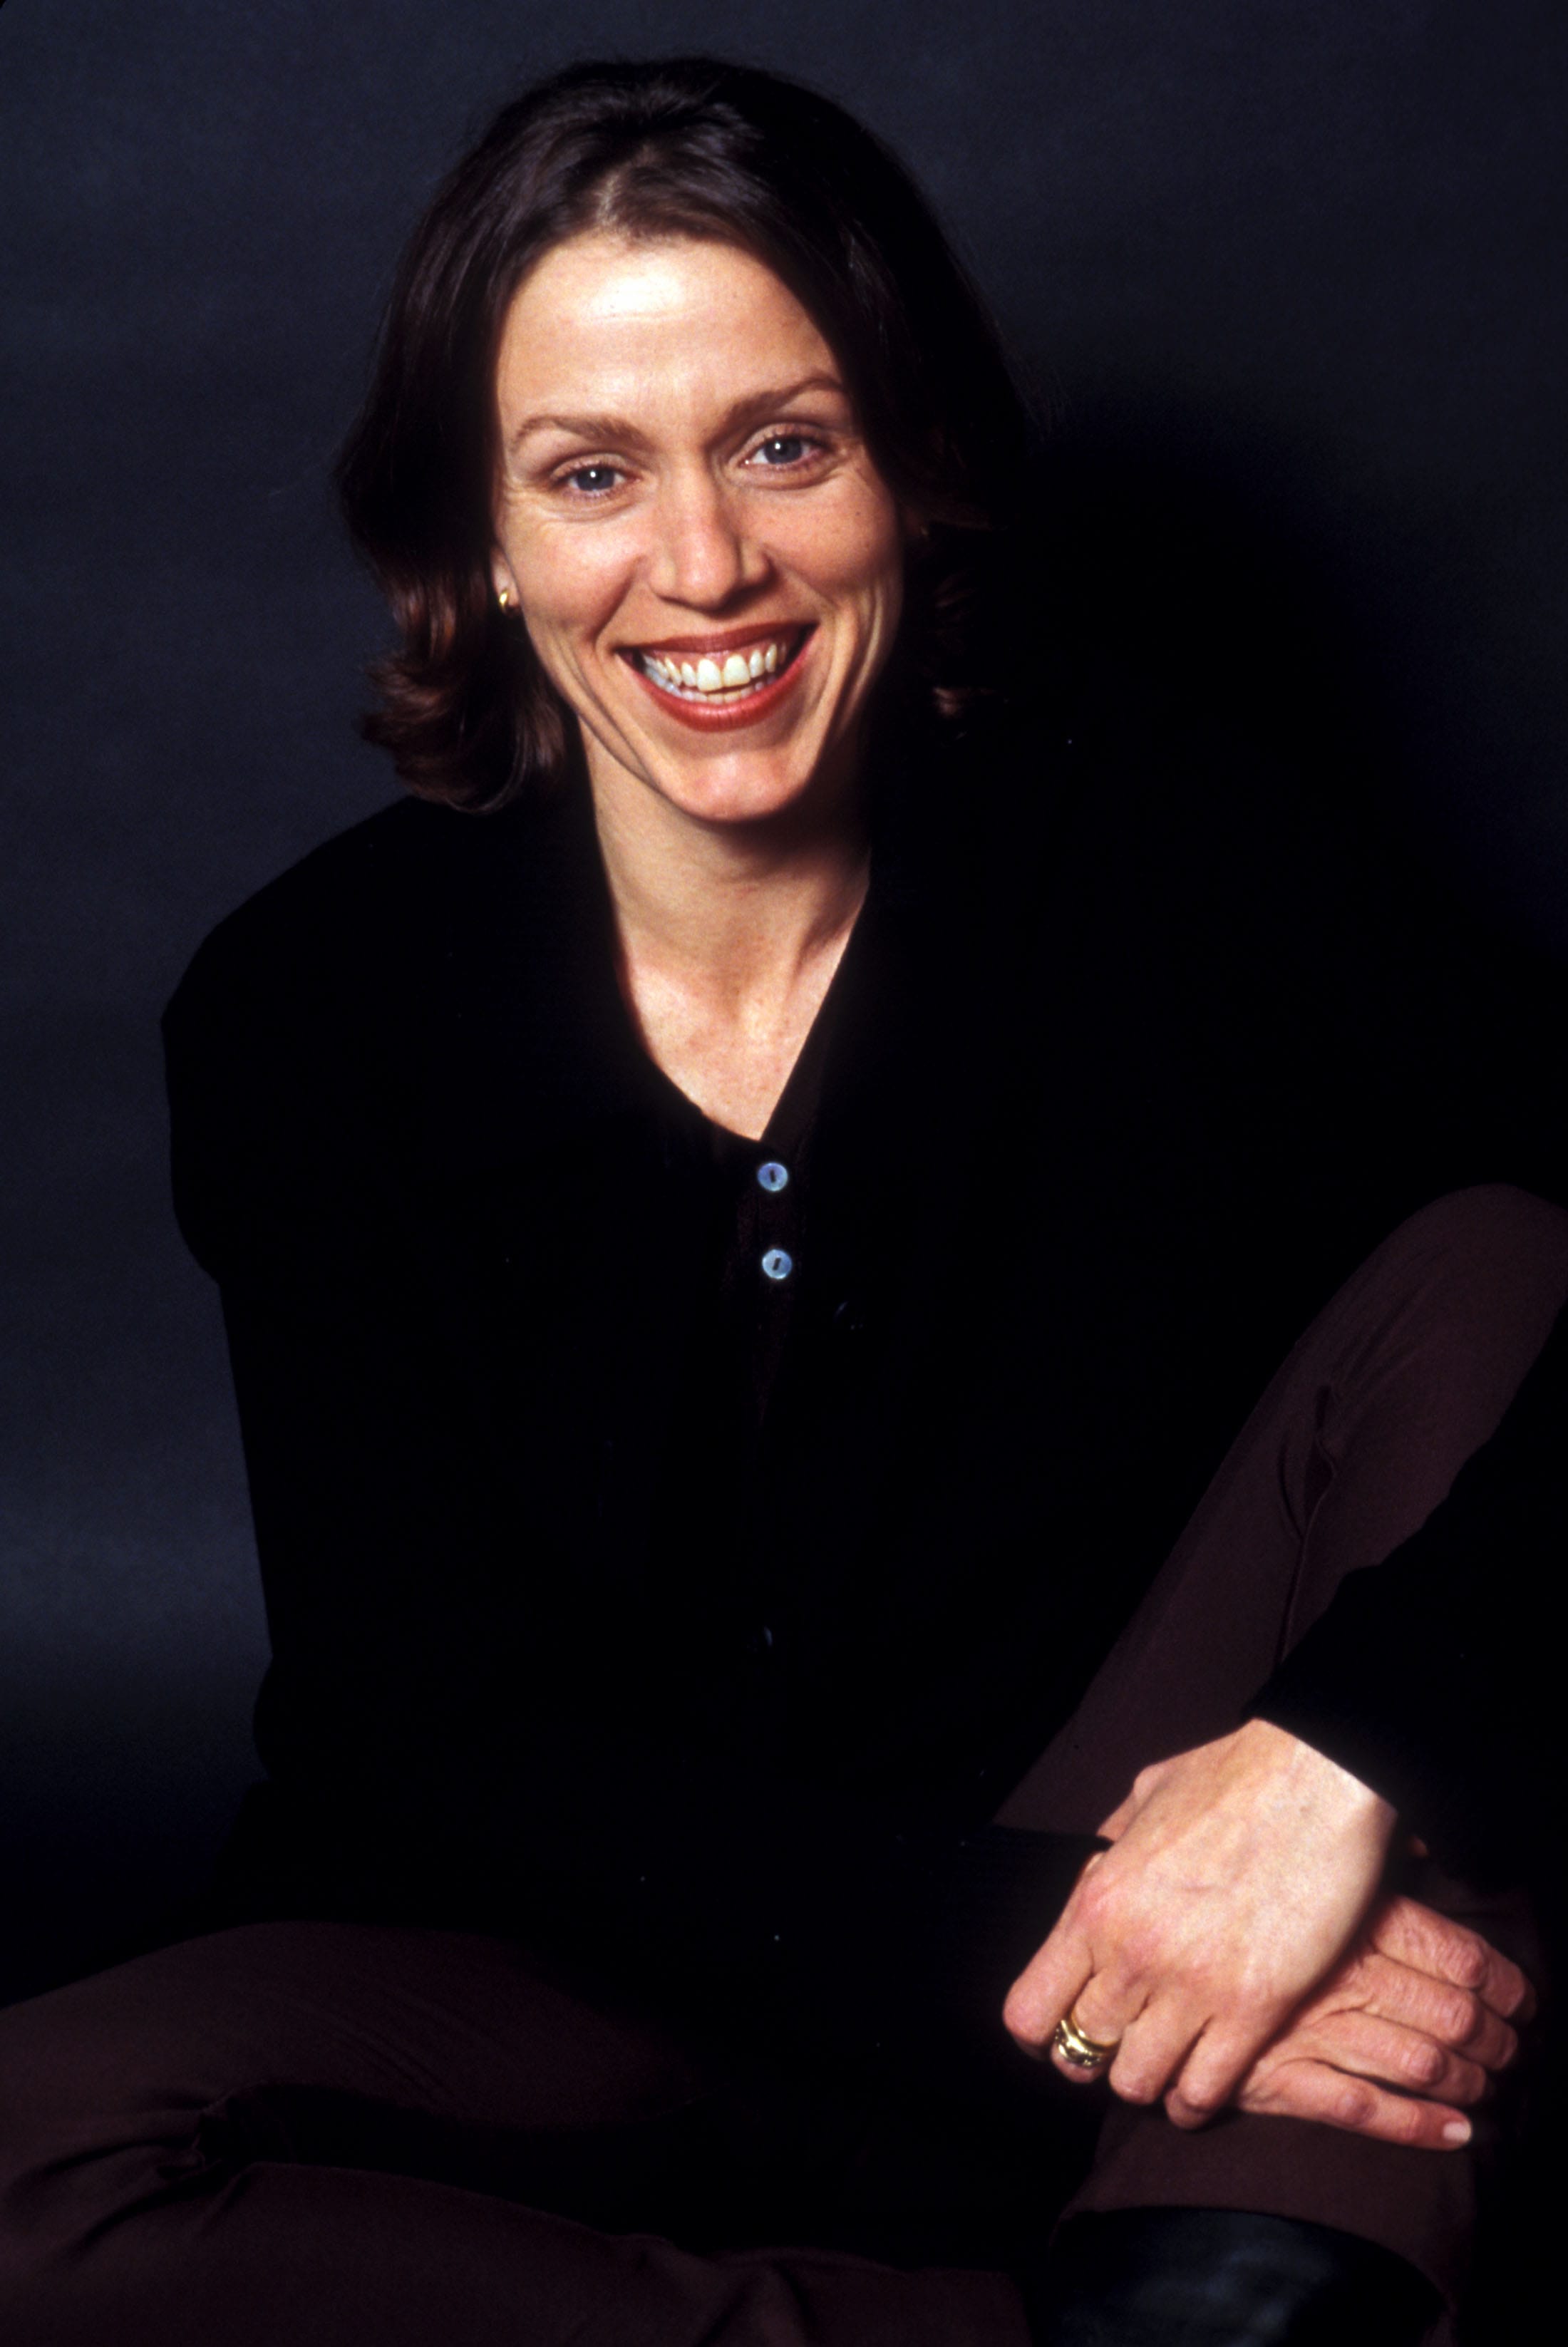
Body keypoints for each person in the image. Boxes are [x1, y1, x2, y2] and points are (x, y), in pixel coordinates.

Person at [0, 56, 1563, 2347]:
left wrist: (1347, 1760)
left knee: (1503, 1255)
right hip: (610, 1960)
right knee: (26, 2177)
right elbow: (425, 1736)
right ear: (477, 540)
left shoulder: (1172, 850)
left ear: (911, 469)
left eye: (785, 447)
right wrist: (1041, 1962)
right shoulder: (308, 1009)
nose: (706, 565)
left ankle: (1219, 2252)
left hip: (1168, 1883)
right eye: (591, 474)